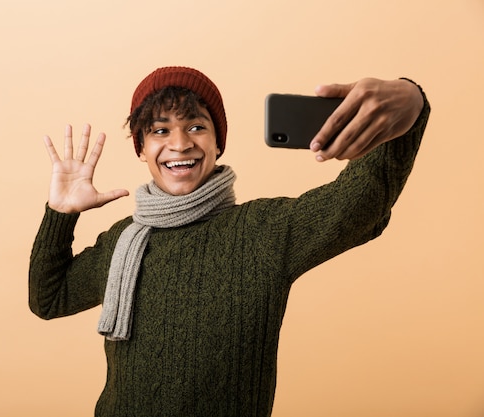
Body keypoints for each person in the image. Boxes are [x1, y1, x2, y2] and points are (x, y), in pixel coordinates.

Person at [29, 66, 430, 417]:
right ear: (142, 149)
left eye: (196, 126)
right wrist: (60, 213)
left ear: (218, 142)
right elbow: (49, 298)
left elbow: (360, 205)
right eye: (160, 130)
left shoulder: (261, 231)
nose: (180, 143)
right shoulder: (124, 241)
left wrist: (411, 100)